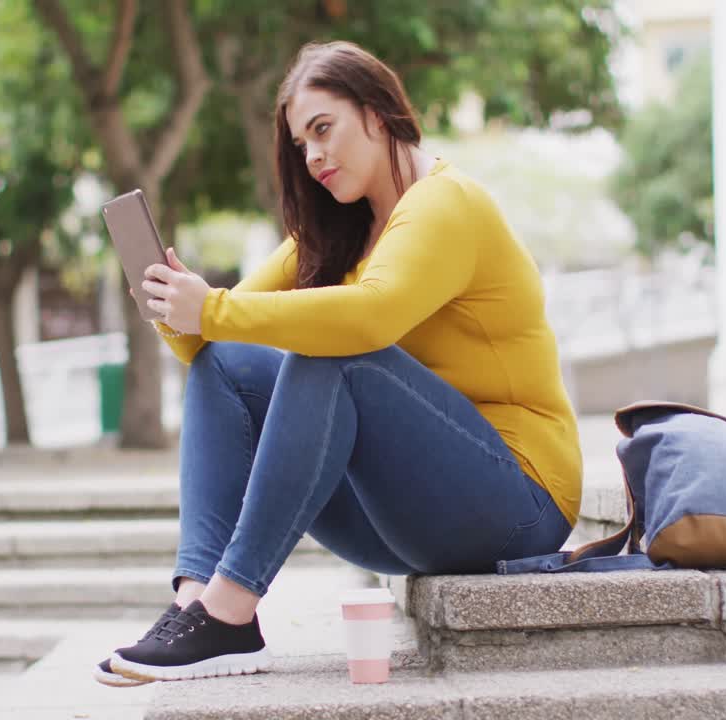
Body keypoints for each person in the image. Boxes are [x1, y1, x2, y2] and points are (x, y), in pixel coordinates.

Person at [97, 40, 582, 686]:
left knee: (334, 357)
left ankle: (230, 608)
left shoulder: (446, 203)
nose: (313, 156)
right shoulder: (337, 233)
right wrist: (170, 306)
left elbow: (370, 316)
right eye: (302, 144)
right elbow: (211, 345)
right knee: (228, 364)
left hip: (520, 505)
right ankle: (197, 605)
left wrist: (210, 309)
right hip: (406, 518)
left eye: (323, 129)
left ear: (377, 114)